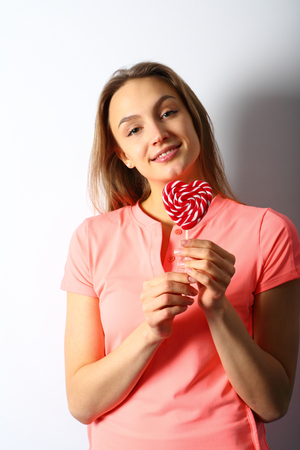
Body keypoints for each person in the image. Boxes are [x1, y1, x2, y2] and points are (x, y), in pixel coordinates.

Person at [61, 62, 300, 450]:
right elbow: (81, 403)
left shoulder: (268, 231)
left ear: (194, 121)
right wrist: (149, 332)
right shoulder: (92, 239)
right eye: (134, 129)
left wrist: (218, 309)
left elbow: (273, 404)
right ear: (123, 155)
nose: (157, 134)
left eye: (168, 112)